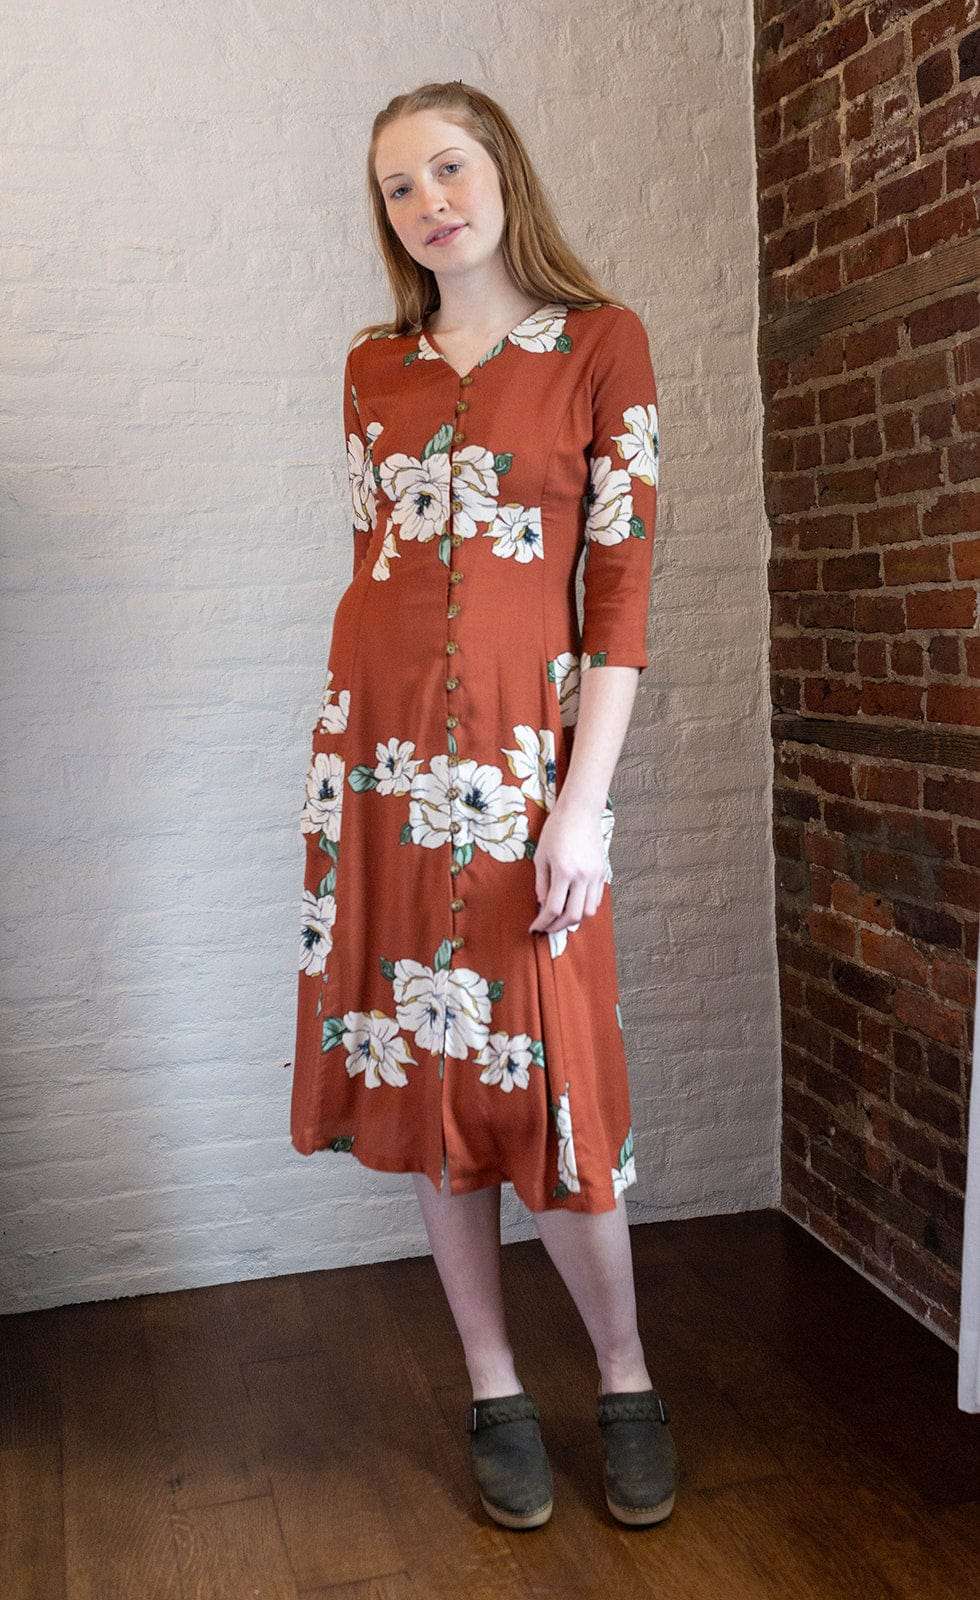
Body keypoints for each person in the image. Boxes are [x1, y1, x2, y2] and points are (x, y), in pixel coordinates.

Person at [290, 80, 677, 1528]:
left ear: (502, 170)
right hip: (383, 768)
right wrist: (353, 768)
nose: (428, 203)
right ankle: (493, 1386)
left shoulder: (601, 343)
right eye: (398, 186)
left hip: (527, 780)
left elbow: (619, 596)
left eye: (447, 168)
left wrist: (583, 806)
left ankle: (627, 1376)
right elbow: (376, 570)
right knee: (429, 1080)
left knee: (556, 1088)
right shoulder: (371, 367)